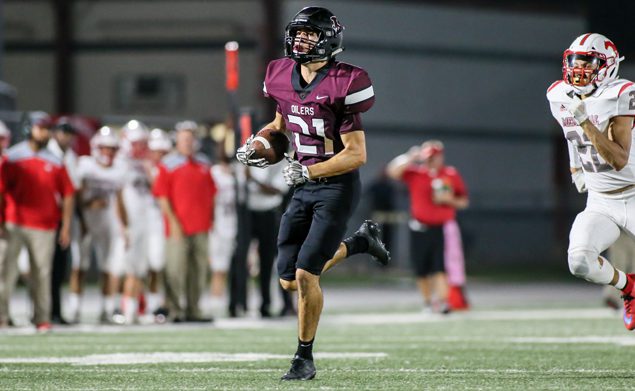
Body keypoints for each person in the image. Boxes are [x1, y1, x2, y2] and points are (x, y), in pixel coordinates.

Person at [236, 6, 390, 381]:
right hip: (301, 185)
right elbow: (281, 123)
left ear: (329, 40)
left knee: (306, 275)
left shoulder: (347, 81)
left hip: (334, 186)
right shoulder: (279, 75)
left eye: (310, 34)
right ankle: (358, 243)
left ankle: (303, 357)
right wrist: (261, 141)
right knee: (287, 279)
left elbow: (357, 154)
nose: (301, 40)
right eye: (299, 33)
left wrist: (308, 169)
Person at [546, 33, 635, 330]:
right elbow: (569, 133)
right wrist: (576, 168)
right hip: (601, 200)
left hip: (633, 193)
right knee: (580, 261)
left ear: (607, 65)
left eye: (588, 62)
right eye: (575, 61)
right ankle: (629, 287)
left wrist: (585, 121)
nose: (579, 69)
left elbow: (619, 159)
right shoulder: (559, 94)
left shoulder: (621, 93)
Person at [0, 112, 75, 331]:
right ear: (29, 129)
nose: (44, 133)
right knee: (6, 271)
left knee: (42, 273)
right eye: (40, 128)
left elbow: (68, 193)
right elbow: (2, 190)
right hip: (14, 222)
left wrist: (67, 225)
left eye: (47, 129)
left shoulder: (55, 160)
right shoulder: (13, 158)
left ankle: (42, 317)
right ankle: (2, 315)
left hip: (45, 225)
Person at [387, 140, 469, 313]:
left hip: (442, 228)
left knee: (440, 267)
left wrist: (449, 200)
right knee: (421, 269)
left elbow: (463, 202)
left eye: (433, 158)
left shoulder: (450, 174)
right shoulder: (416, 173)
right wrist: (410, 156)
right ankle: (427, 303)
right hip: (420, 227)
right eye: (427, 158)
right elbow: (392, 171)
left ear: (440, 157)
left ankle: (444, 302)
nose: (430, 161)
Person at [153, 120, 216, 323]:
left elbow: (212, 193)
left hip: (201, 226)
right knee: (174, 269)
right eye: (184, 139)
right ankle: (174, 309)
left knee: (198, 271)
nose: (188, 143)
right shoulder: (168, 165)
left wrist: (211, 219)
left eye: (191, 139)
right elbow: (162, 197)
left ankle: (193, 309)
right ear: (177, 141)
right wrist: (173, 222)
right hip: (178, 226)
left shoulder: (204, 164)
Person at [69, 126, 128, 324]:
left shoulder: (120, 169)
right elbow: (75, 195)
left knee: (109, 268)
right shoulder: (85, 165)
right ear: (96, 147)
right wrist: (88, 205)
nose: (108, 152)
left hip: (107, 224)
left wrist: (125, 227)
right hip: (84, 222)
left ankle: (107, 309)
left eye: (112, 148)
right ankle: (75, 309)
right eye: (105, 148)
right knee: (80, 266)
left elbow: (120, 200)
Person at [246, 161, 294, 318]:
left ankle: (287, 304)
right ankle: (264, 305)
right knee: (257, 263)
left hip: (272, 215)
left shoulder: (282, 162)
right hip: (250, 213)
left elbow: (276, 190)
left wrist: (253, 180)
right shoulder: (252, 158)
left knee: (279, 260)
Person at [118, 120, 153, 324]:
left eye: (142, 142)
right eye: (136, 142)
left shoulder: (145, 164)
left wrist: (149, 168)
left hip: (143, 219)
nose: (140, 147)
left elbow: (156, 190)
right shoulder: (120, 162)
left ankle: (134, 308)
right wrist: (123, 224)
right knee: (124, 267)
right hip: (127, 222)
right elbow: (118, 198)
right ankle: (124, 308)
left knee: (140, 267)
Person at [47, 117, 80, 324]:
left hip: (62, 217)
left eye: (69, 133)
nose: (66, 137)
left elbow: (72, 191)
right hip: (43, 217)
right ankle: (42, 311)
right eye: (62, 132)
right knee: (40, 267)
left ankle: (55, 311)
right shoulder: (48, 155)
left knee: (58, 267)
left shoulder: (72, 156)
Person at [146, 128, 172, 317]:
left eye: (163, 152)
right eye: (157, 151)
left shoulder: (169, 169)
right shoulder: (141, 167)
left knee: (164, 265)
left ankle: (161, 304)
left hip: (165, 222)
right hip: (147, 222)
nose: (160, 155)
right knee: (150, 266)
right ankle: (149, 303)